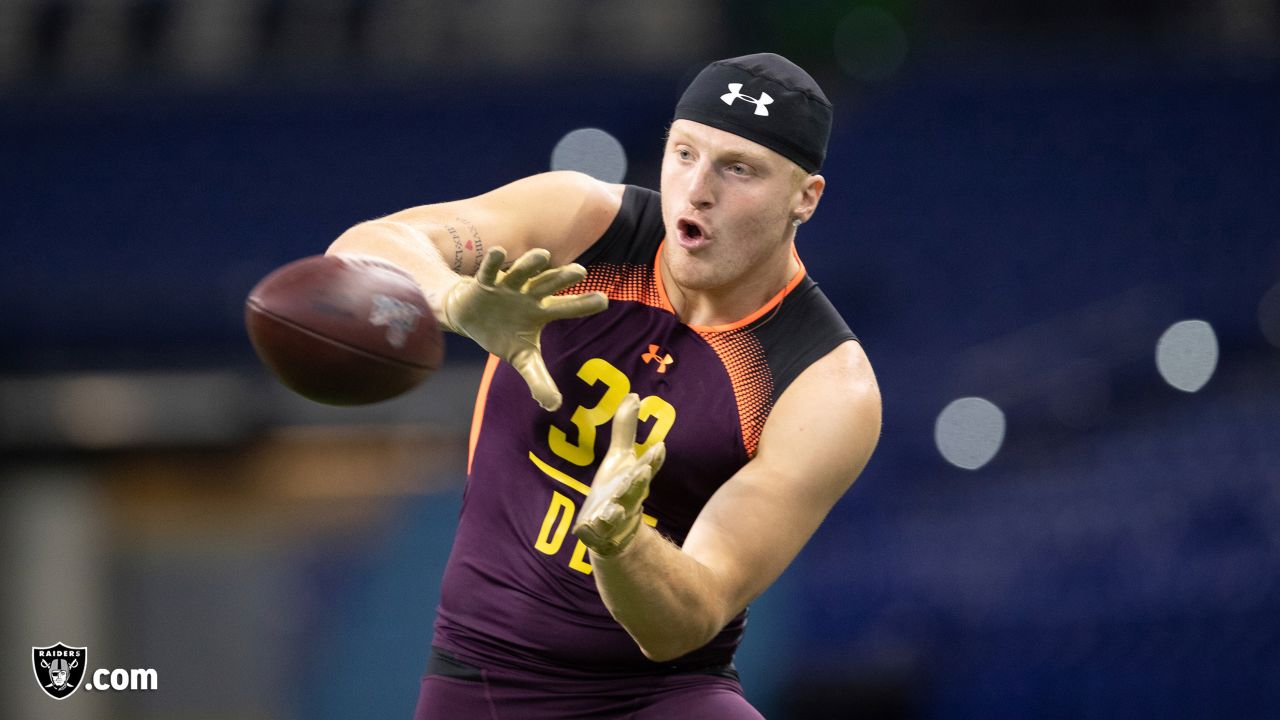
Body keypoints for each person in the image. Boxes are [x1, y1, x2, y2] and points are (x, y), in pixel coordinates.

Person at [327, 52, 881, 719]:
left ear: (805, 198)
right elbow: (363, 249)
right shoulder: (582, 221)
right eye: (684, 153)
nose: (698, 189)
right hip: (485, 682)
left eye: (739, 169)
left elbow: (690, 616)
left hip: (662, 695)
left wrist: (622, 541)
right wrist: (452, 297)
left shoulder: (825, 383)